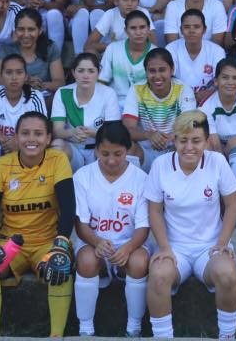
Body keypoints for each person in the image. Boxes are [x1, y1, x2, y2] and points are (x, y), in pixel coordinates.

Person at [0, 112, 75, 338]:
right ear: (16, 137)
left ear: (48, 138)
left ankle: (56, 336)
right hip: (11, 244)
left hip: (46, 244)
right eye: (25, 133)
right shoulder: (1, 165)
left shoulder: (57, 161)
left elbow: (68, 210)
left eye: (38, 134)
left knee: (59, 265)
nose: (32, 139)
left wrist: (60, 245)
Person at [144, 110, 236, 340]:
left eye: (196, 141)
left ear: (207, 141)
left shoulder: (217, 162)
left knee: (227, 273)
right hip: (175, 246)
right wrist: (165, 248)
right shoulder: (160, 165)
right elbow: (155, 210)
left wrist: (222, 243)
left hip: (209, 246)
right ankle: (162, 336)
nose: (189, 147)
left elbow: (232, 204)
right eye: (183, 140)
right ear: (174, 140)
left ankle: (228, 336)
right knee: (158, 275)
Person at [72, 122, 150, 337]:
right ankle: (85, 329)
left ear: (128, 150)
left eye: (118, 153)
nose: (112, 160)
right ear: (96, 149)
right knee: (87, 261)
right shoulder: (82, 176)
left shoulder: (141, 179)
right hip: (93, 242)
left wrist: (128, 247)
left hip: (130, 244)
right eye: (105, 153)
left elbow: (143, 226)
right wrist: (97, 242)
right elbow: (81, 224)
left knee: (139, 261)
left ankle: (134, 328)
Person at [0, 53, 48, 182]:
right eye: (9, 72)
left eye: (19, 72)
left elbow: (43, 129)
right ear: (1, 76)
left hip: (26, 145)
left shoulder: (35, 96)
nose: (14, 77)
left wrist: (19, 143)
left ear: (26, 76)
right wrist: (5, 140)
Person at [51, 53, 121, 171]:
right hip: (73, 149)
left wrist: (91, 133)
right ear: (73, 73)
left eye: (91, 71)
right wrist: (72, 132)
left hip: (99, 149)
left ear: (98, 73)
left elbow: (113, 133)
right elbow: (57, 131)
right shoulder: (62, 92)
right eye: (81, 71)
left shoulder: (108, 93)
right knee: (56, 145)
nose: (86, 75)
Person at [0, 8, 66, 100]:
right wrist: (25, 82)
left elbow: (60, 82)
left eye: (31, 29)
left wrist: (41, 85)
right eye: (21, 29)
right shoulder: (6, 50)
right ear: (15, 30)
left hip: (43, 99)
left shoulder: (50, 48)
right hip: (13, 98)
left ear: (40, 30)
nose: (26, 34)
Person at [165, 8, 225, 101]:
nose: (191, 31)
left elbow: (222, 81)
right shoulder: (171, 49)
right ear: (181, 30)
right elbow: (166, 79)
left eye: (196, 27)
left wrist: (206, 94)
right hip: (177, 100)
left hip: (208, 100)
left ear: (204, 29)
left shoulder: (217, 51)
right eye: (187, 27)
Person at [100, 10, 154, 106]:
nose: (138, 32)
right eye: (133, 28)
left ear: (149, 29)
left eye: (142, 27)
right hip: (115, 103)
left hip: (146, 105)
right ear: (126, 30)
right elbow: (102, 81)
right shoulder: (112, 48)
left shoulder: (155, 53)